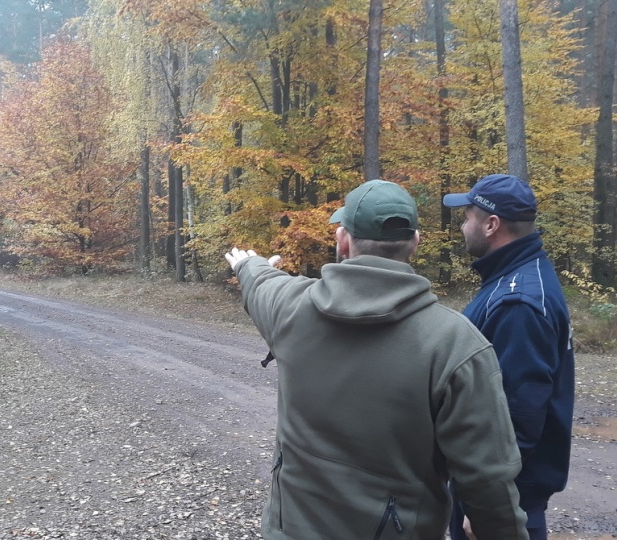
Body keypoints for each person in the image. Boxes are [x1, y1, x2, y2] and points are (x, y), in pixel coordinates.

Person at [225, 179, 528, 539]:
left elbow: (261, 285)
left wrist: (249, 265)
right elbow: (488, 479)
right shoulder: (456, 344)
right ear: (415, 242)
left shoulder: (291, 308)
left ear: (343, 240)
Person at [443, 174, 575, 540]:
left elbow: (519, 412)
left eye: (467, 216)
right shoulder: (514, 279)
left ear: (491, 224)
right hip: (491, 494)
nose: (463, 225)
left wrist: (491, 503)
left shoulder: (519, 302)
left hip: (501, 507)